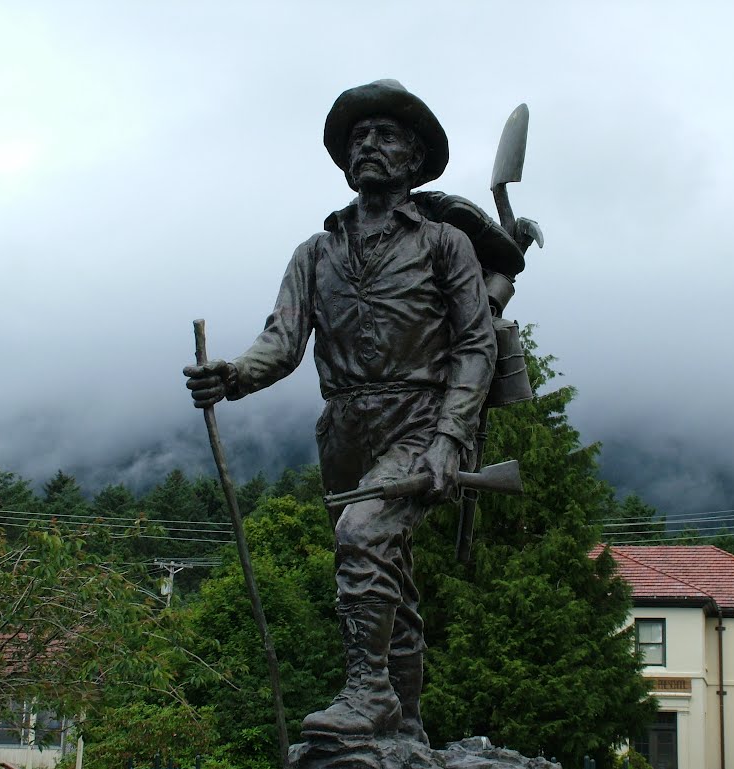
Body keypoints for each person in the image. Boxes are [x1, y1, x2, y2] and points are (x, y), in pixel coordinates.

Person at [184, 80, 497, 742]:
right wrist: (234, 374)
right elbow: (283, 340)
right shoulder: (315, 252)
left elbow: (476, 347)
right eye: (359, 138)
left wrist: (448, 439)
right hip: (346, 432)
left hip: (421, 421)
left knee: (362, 534)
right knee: (389, 574)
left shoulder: (444, 245)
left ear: (413, 161)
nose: (369, 147)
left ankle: (368, 694)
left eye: (385, 137)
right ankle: (406, 725)